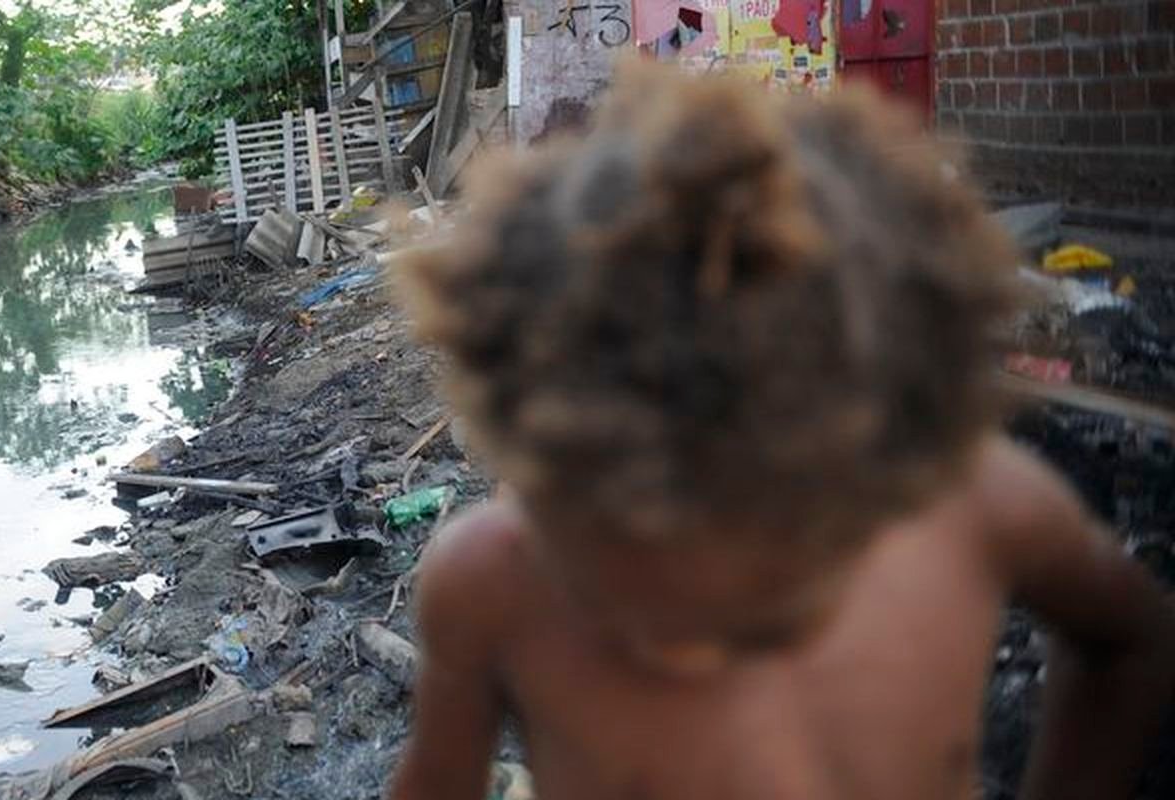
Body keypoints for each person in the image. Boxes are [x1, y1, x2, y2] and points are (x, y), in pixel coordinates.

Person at [388, 60, 1175, 800]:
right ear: (542, 472)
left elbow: (1129, 641)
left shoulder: (971, 503)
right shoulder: (493, 581)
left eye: (784, 576)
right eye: (641, 570)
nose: (695, 649)